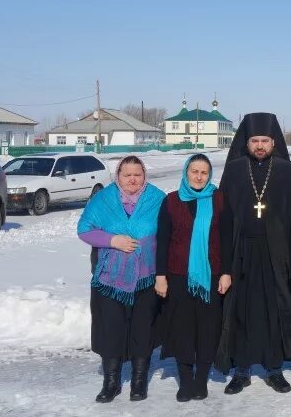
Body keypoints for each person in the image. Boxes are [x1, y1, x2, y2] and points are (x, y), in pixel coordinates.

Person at [215, 112, 291, 395]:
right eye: (254, 140)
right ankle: (241, 370)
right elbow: (224, 215)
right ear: (247, 141)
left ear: (273, 141)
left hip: (275, 253)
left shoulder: (286, 170)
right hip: (241, 251)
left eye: (264, 140)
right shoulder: (234, 169)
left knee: (275, 309)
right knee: (241, 310)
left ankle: (274, 368)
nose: (259, 145)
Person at [77, 155, 166, 403]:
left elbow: (170, 232)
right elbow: (84, 229)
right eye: (127, 175)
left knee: (142, 331)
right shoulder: (103, 199)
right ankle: (112, 382)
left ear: (144, 176)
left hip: (146, 278)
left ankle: (139, 382)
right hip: (110, 279)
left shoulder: (157, 199)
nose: (132, 179)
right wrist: (112, 240)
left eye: (137, 174)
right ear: (118, 176)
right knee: (111, 331)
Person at [155, 154, 230, 402]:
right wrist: (161, 276)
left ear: (210, 175)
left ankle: (201, 380)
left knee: (208, 328)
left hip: (211, 274)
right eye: (194, 171)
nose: (199, 177)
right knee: (183, 328)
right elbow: (163, 241)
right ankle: (186, 380)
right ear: (186, 172)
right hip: (178, 275)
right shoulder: (172, 201)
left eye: (204, 172)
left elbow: (227, 238)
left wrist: (227, 272)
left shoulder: (218, 199)